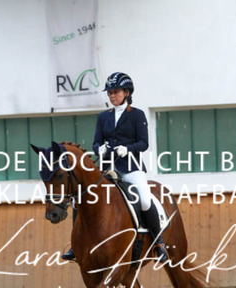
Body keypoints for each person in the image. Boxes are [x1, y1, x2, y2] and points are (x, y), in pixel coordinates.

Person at [62, 72, 169, 262]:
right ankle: (76, 245)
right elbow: (96, 142)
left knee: (145, 200)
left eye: (116, 92)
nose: (112, 96)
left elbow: (143, 143)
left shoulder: (137, 115)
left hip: (131, 167)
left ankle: (158, 243)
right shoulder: (104, 117)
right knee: (80, 200)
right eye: (110, 93)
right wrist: (99, 149)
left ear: (127, 92)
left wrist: (127, 149)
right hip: (107, 168)